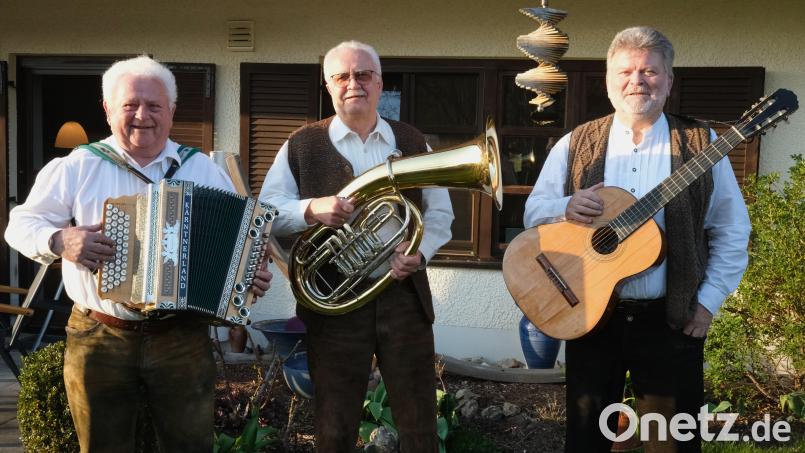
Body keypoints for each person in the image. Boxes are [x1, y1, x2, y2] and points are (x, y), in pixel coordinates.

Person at [5, 55, 272, 453]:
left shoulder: (202, 169)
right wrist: (61, 241)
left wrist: (249, 275)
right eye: (130, 105)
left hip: (182, 336)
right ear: (108, 109)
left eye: (154, 106)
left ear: (172, 111)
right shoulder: (78, 166)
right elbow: (19, 225)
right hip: (100, 334)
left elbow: (239, 245)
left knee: (189, 446)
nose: (142, 116)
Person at [523, 27, 751, 452]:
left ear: (669, 81)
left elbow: (733, 229)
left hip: (670, 320)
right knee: (586, 441)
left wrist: (707, 304)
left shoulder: (703, 145)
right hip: (589, 317)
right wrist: (566, 206)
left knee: (672, 445)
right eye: (625, 71)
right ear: (608, 81)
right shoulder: (576, 143)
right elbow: (532, 211)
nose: (637, 80)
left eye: (650, 71)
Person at [260, 40, 454, 452]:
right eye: (342, 76)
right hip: (333, 305)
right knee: (334, 424)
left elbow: (440, 214)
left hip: (404, 297)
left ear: (380, 83)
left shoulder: (411, 140)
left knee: (419, 421)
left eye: (364, 74)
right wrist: (312, 210)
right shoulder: (301, 143)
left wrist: (420, 253)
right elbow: (268, 211)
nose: (354, 84)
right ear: (328, 86)